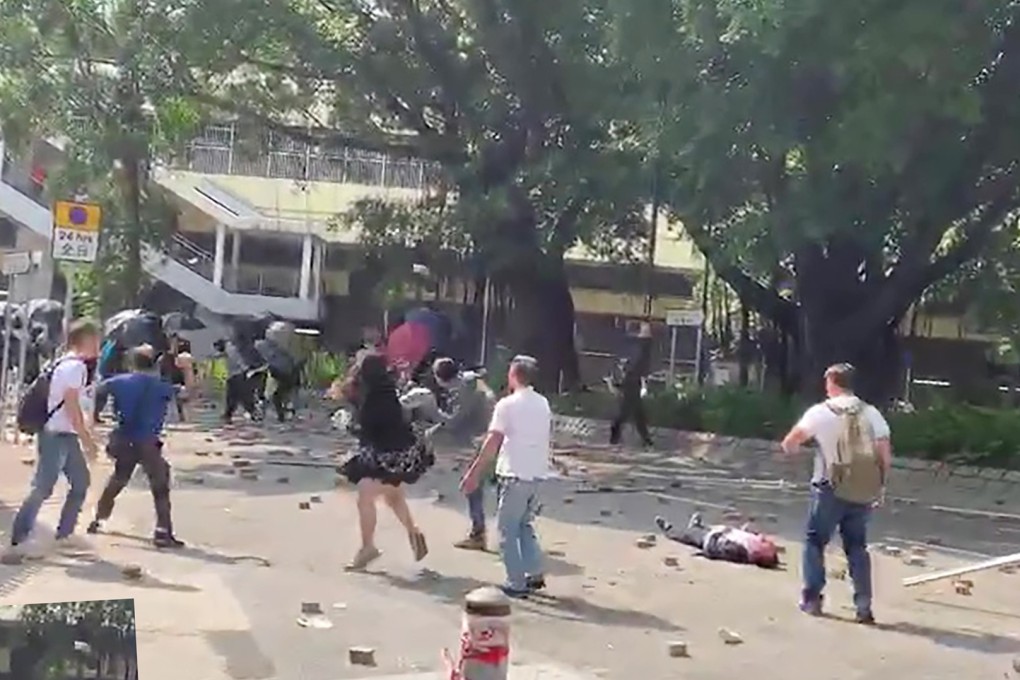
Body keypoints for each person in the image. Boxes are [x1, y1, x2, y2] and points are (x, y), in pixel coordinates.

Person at [781, 362, 892, 625]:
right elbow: (884, 454)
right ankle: (863, 605)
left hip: (828, 486)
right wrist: (880, 485)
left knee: (815, 540)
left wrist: (803, 452)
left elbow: (790, 442)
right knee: (856, 546)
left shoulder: (821, 412)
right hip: (863, 489)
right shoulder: (872, 413)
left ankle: (812, 599)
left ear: (832, 382)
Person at [460, 355, 551, 598]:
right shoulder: (543, 403)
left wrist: (474, 473)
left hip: (514, 472)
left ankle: (516, 582)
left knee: (506, 529)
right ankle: (534, 571)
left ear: (513, 375)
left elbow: (493, 442)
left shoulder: (507, 405)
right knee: (524, 524)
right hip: (537, 473)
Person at [9, 319, 101, 555]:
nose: (99, 344)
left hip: (63, 434)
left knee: (80, 482)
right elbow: (71, 406)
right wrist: (87, 439)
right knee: (43, 487)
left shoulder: (63, 362)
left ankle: (65, 534)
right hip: (57, 434)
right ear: (87, 339)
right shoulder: (75, 367)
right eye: (96, 338)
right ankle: (21, 537)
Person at [338, 352, 433, 571]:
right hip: (403, 454)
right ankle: (414, 532)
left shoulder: (373, 399)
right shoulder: (387, 390)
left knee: (365, 496)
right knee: (393, 497)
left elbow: (367, 430)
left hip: (386, 457)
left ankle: (367, 547)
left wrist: (347, 425)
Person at [87, 345, 184, 548]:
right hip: (148, 442)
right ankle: (162, 532)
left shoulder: (118, 382)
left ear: (131, 363)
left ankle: (98, 519)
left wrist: (95, 415)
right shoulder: (161, 385)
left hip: (124, 439)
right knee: (159, 486)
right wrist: (188, 368)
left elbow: (97, 390)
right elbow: (189, 394)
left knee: (118, 479)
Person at [655, 512, 780, 568]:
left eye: (763, 543)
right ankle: (697, 526)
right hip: (720, 532)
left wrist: (706, 553)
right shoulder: (751, 543)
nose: (764, 539)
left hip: (710, 540)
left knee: (687, 536)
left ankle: (669, 530)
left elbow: (722, 550)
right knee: (700, 530)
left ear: (756, 553)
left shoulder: (740, 552)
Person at [609, 321, 654, 448]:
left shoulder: (638, 348)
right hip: (631, 383)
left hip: (633, 383)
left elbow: (639, 368)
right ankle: (616, 435)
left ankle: (645, 439)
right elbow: (636, 367)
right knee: (629, 412)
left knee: (636, 413)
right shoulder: (639, 348)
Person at [215, 338, 261, 423]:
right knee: (235, 397)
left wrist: (245, 369)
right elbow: (223, 355)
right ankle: (228, 415)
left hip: (237, 375)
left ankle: (253, 414)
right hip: (235, 375)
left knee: (240, 397)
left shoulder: (230, 349)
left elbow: (237, 360)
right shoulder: (230, 348)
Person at [160, 335, 194, 422]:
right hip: (171, 383)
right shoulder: (164, 358)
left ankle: (182, 418)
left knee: (182, 405)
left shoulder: (183, 357)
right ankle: (181, 418)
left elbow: (188, 374)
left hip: (178, 383)